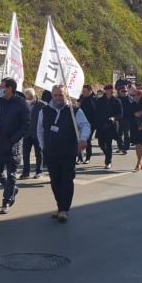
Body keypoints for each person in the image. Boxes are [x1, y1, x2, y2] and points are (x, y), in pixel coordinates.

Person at [37, 85, 91, 223]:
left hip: (68, 152)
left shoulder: (75, 110)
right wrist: (43, 147)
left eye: (60, 95)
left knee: (66, 180)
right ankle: (59, 206)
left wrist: (83, 139)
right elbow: (40, 131)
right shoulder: (44, 111)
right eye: (55, 95)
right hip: (51, 152)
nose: (57, 98)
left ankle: (64, 210)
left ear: (66, 95)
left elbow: (85, 125)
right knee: (55, 181)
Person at [0, 78, 29, 215]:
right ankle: (11, 188)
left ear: (10, 88)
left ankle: (6, 200)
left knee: (11, 174)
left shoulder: (20, 103)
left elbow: (26, 124)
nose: (0, 89)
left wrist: (15, 138)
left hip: (13, 143)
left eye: (2, 87)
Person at [93, 84, 122, 170]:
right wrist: (95, 124)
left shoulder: (117, 101)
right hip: (101, 125)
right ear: (105, 91)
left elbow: (120, 114)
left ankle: (108, 162)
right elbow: (96, 113)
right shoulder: (100, 100)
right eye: (109, 90)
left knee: (108, 144)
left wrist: (114, 117)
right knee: (101, 144)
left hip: (111, 125)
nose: (111, 92)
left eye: (112, 90)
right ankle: (107, 155)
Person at [21, 88, 44, 179]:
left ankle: (39, 171)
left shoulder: (42, 105)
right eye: (26, 96)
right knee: (25, 154)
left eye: (30, 96)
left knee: (39, 153)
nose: (28, 98)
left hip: (38, 133)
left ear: (34, 95)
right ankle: (26, 172)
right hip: (26, 133)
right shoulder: (23, 104)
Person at [76, 84, 96, 164]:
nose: (83, 93)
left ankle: (88, 157)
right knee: (79, 139)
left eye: (85, 91)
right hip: (80, 122)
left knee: (87, 140)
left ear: (90, 91)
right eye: (83, 91)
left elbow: (95, 110)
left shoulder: (94, 99)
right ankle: (80, 157)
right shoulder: (81, 97)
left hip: (90, 123)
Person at [117, 86, 132, 154]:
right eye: (123, 91)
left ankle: (125, 147)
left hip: (127, 118)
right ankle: (121, 147)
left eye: (126, 91)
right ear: (119, 92)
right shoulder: (116, 99)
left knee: (126, 133)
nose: (125, 92)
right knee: (118, 134)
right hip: (118, 119)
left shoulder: (130, 98)